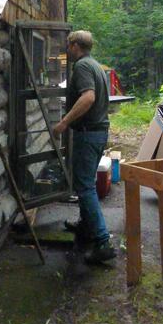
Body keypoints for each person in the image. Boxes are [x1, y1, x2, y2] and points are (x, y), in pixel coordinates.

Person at [53, 30, 116, 264]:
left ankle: (102, 241)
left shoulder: (81, 67)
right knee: (86, 182)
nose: (67, 50)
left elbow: (88, 97)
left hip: (88, 134)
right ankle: (86, 226)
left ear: (75, 45)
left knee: (84, 186)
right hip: (97, 133)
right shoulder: (94, 65)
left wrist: (63, 122)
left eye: (68, 45)